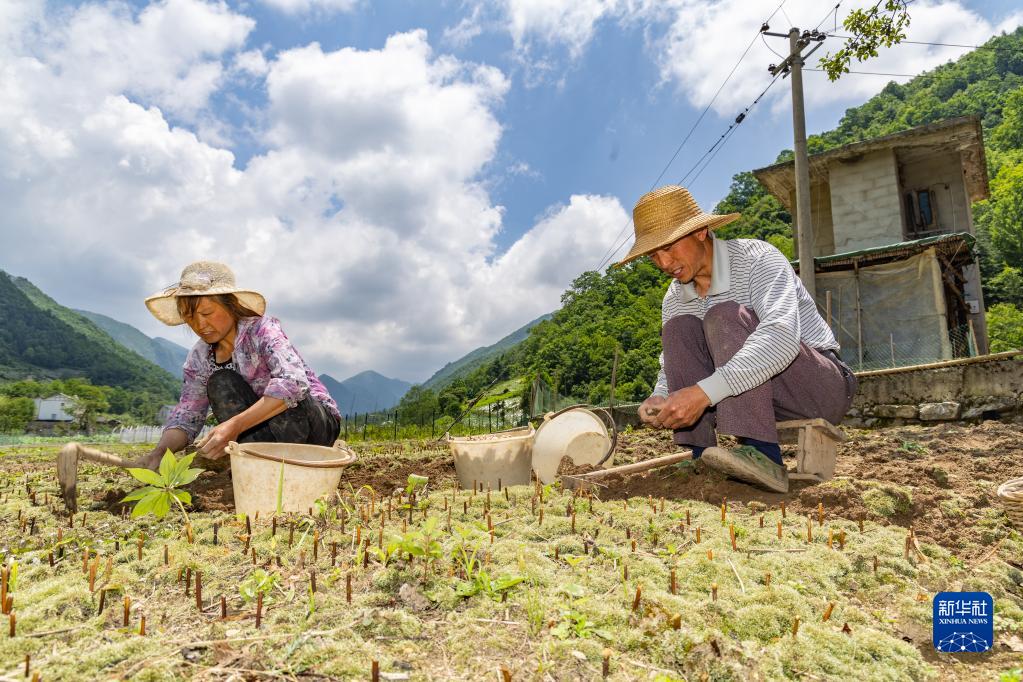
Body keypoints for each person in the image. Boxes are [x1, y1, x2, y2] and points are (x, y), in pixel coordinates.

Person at [618, 185, 857, 493]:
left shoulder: (757, 259)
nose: (664, 263)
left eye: (669, 247)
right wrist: (660, 397)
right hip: (753, 398)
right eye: (654, 255)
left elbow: (781, 338)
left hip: (816, 389)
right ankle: (700, 454)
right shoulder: (675, 297)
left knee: (724, 316)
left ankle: (762, 454)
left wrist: (702, 394)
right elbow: (671, 363)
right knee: (678, 329)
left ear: (700, 231)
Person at [134, 261, 341, 469]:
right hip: (266, 436)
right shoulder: (200, 357)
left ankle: (288, 462)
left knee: (287, 396)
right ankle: (261, 465)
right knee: (221, 382)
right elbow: (188, 415)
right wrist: (159, 453)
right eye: (190, 316)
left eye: (207, 313)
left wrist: (234, 425)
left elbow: (293, 384)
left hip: (313, 425)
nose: (200, 325)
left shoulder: (262, 330)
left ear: (230, 305)